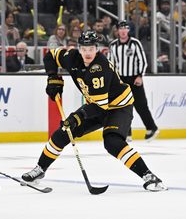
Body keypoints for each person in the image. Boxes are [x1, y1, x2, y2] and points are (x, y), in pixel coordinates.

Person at [21, 30, 167, 192]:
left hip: (119, 107)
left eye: (91, 48)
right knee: (64, 132)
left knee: (112, 143)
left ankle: (149, 176)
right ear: (79, 48)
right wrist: (53, 77)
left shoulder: (99, 68)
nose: (88, 52)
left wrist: (77, 117)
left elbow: (100, 107)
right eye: (84, 48)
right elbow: (50, 56)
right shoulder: (71, 57)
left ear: (97, 49)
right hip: (97, 104)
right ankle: (40, 170)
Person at [108, 20, 159, 142]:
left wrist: (140, 76)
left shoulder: (135, 43)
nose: (123, 31)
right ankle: (126, 132)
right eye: (121, 28)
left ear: (128, 30)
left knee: (141, 105)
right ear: (117, 31)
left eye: (125, 28)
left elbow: (143, 61)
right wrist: (113, 79)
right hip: (120, 79)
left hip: (134, 78)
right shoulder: (113, 45)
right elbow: (111, 63)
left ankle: (151, 128)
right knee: (122, 105)